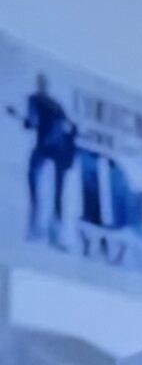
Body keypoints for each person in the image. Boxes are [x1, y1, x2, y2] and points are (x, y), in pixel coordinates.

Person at [7, 73, 77, 248]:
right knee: (58, 192)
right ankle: (56, 233)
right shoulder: (56, 104)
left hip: (44, 146)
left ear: (38, 84)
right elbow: (70, 126)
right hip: (60, 151)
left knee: (33, 181)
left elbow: (31, 123)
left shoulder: (34, 99)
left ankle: (34, 226)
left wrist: (15, 114)